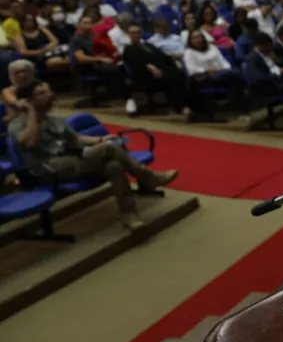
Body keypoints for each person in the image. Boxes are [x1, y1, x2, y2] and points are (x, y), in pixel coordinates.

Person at [10, 79, 178, 231]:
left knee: (114, 166)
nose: (49, 95)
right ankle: (148, 177)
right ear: (29, 101)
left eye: (48, 91)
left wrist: (100, 138)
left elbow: (76, 139)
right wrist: (31, 113)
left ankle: (129, 215)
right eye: (42, 93)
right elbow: (29, 142)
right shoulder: (17, 124)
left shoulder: (54, 119)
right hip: (47, 170)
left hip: (73, 162)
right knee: (108, 149)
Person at [123, 24, 192, 118]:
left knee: (180, 74)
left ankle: (188, 104)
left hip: (161, 70)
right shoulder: (128, 49)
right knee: (172, 79)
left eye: (138, 32)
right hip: (144, 75)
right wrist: (149, 66)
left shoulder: (148, 45)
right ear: (129, 35)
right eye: (133, 33)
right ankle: (179, 107)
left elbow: (163, 56)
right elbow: (135, 63)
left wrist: (175, 62)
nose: (136, 35)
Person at [183, 29, 247, 111]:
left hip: (222, 73)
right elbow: (191, 70)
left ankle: (237, 105)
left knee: (235, 79)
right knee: (237, 75)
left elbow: (224, 63)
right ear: (190, 41)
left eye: (199, 37)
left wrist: (221, 70)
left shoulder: (212, 48)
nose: (197, 40)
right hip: (205, 78)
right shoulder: (189, 52)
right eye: (194, 38)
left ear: (203, 38)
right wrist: (206, 70)